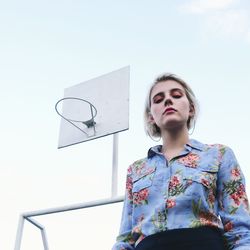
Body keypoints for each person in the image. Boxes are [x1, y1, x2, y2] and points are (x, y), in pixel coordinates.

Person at [112, 73, 250, 250]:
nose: (168, 101)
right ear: (150, 117)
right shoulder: (136, 170)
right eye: (158, 99)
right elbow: (126, 238)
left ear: (191, 108)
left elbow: (240, 230)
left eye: (176, 95)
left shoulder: (219, 155)